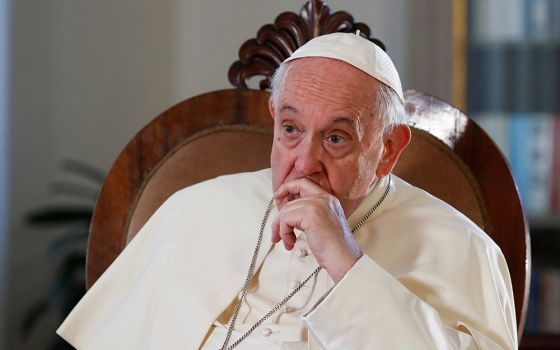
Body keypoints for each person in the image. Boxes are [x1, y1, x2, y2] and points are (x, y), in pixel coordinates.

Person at [57, 33, 517, 349]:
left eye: (336, 138)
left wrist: (345, 261)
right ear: (273, 115)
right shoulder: (195, 209)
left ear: (389, 148)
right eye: (291, 129)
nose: (304, 162)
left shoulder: (461, 246)